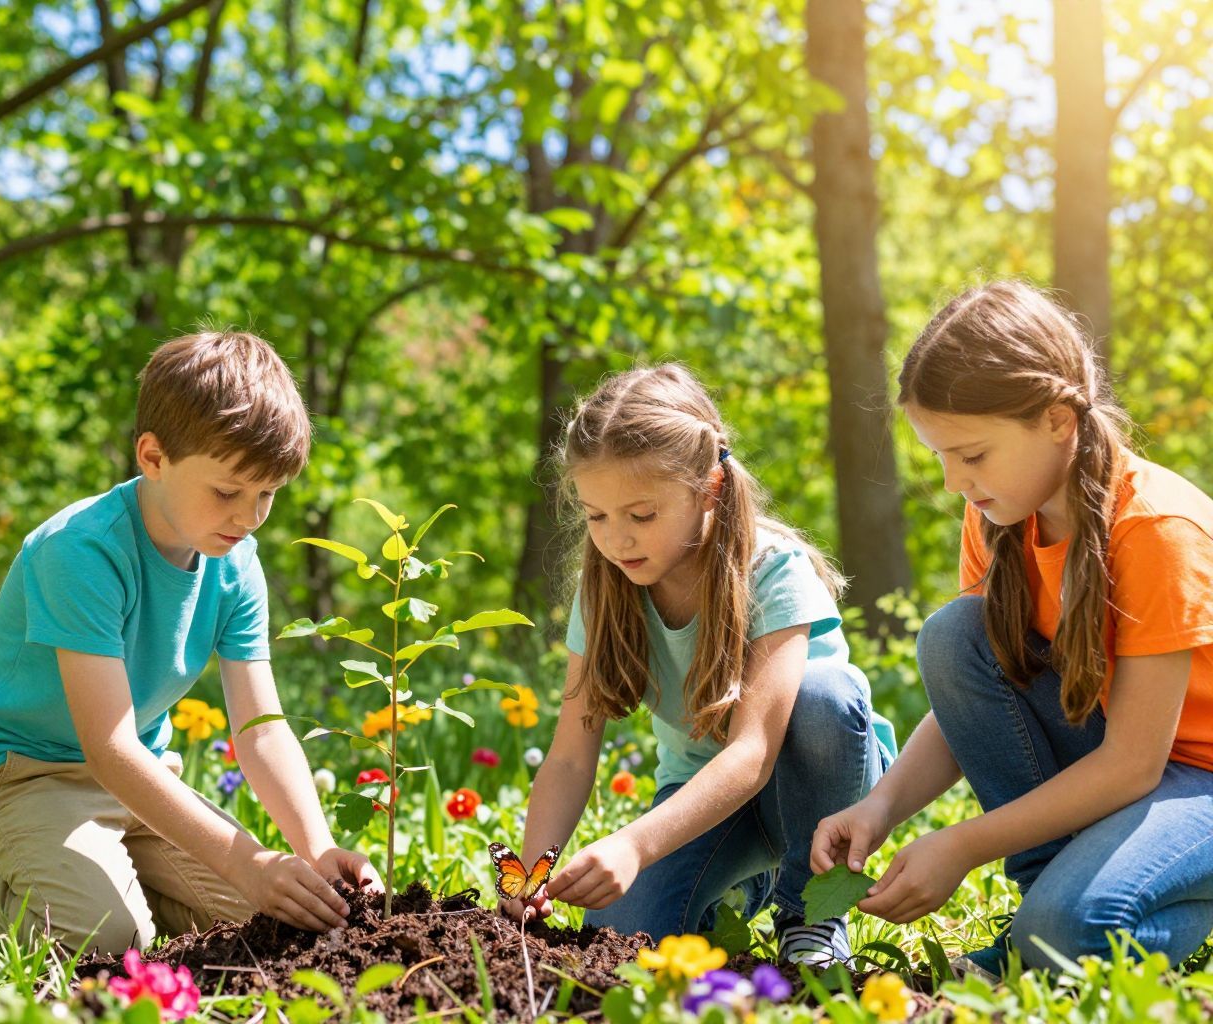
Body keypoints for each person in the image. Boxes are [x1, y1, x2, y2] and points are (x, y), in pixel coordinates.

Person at [813, 281, 1213, 976]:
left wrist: (964, 844)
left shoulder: (1156, 529)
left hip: (1194, 777)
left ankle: (1065, 921)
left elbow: (1134, 763)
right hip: (1129, 767)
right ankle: (1051, 911)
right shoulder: (1001, 516)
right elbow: (975, 698)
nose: (951, 482)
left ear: (1058, 419)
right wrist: (881, 808)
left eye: (971, 455)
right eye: (938, 456)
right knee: (954, 633)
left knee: (1069, 932)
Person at [0, 330, 379, 954]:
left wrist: (316, 849)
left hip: (145, 782)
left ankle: (98, 876)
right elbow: (107, 746)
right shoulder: (81, 551)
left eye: (267, 495)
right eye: (228, 491)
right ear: (152, 457)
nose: (249, 517)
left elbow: (262, 729)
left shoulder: (236, 563)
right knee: (110, 939)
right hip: (25, 775)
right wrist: (248, 862)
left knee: (278, 920)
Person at [503, 364, 893, 966]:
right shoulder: (605, 589)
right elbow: (570, 755)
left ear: (708, 488)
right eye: (596, 516)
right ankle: (741, 887)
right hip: (700, 799)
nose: (617, 540)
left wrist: (634, 843)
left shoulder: (771, 570)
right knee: (620, 934)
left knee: (827, 692)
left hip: (814, 789)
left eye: (641, 515)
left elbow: (752, 756)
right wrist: (531, 878)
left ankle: (808, 912)